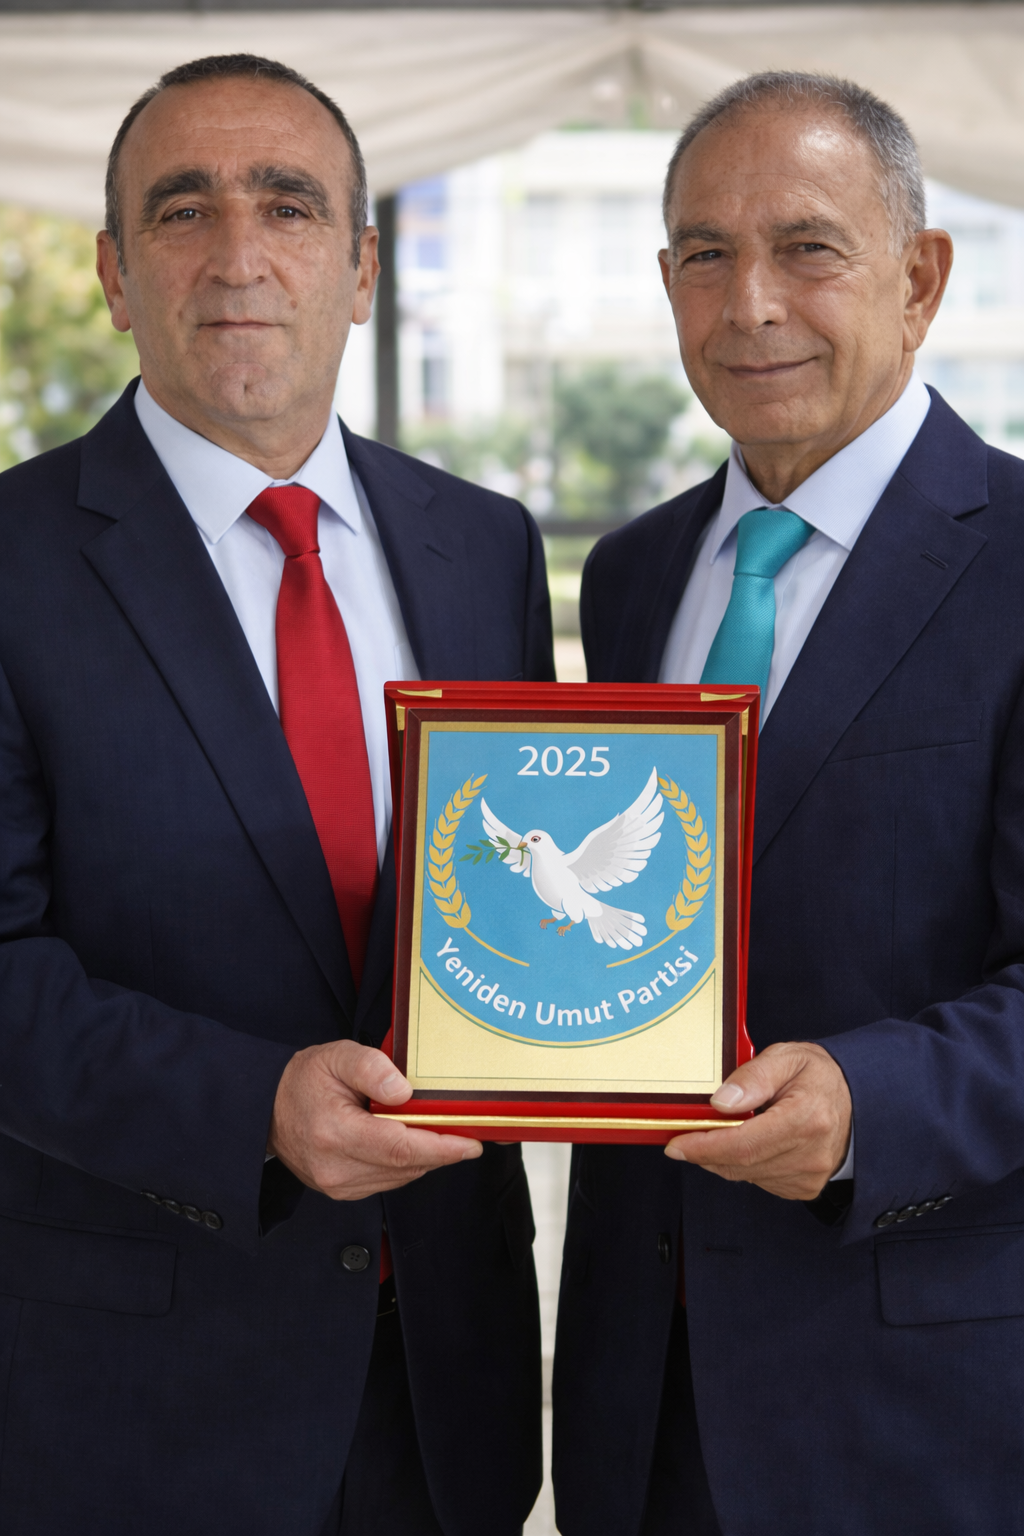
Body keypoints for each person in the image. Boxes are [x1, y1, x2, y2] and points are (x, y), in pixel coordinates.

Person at [0, 53, 552, 1536]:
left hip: (448, 1394)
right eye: (183, 211)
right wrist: (253, 1106)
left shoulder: (485, 547)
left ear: (362, 270)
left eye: (289, 206)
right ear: (114, 275)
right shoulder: (14, 562)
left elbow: (512, 893)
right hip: (138, 1404)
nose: (239, 255)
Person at [553, 70, 1024, 1536]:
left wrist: (865, 1107)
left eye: (807, 247)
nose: (749, 303)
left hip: (920, 1407)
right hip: (639, 1400)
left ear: (920, 278)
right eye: (706, 254)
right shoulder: (631, 575)